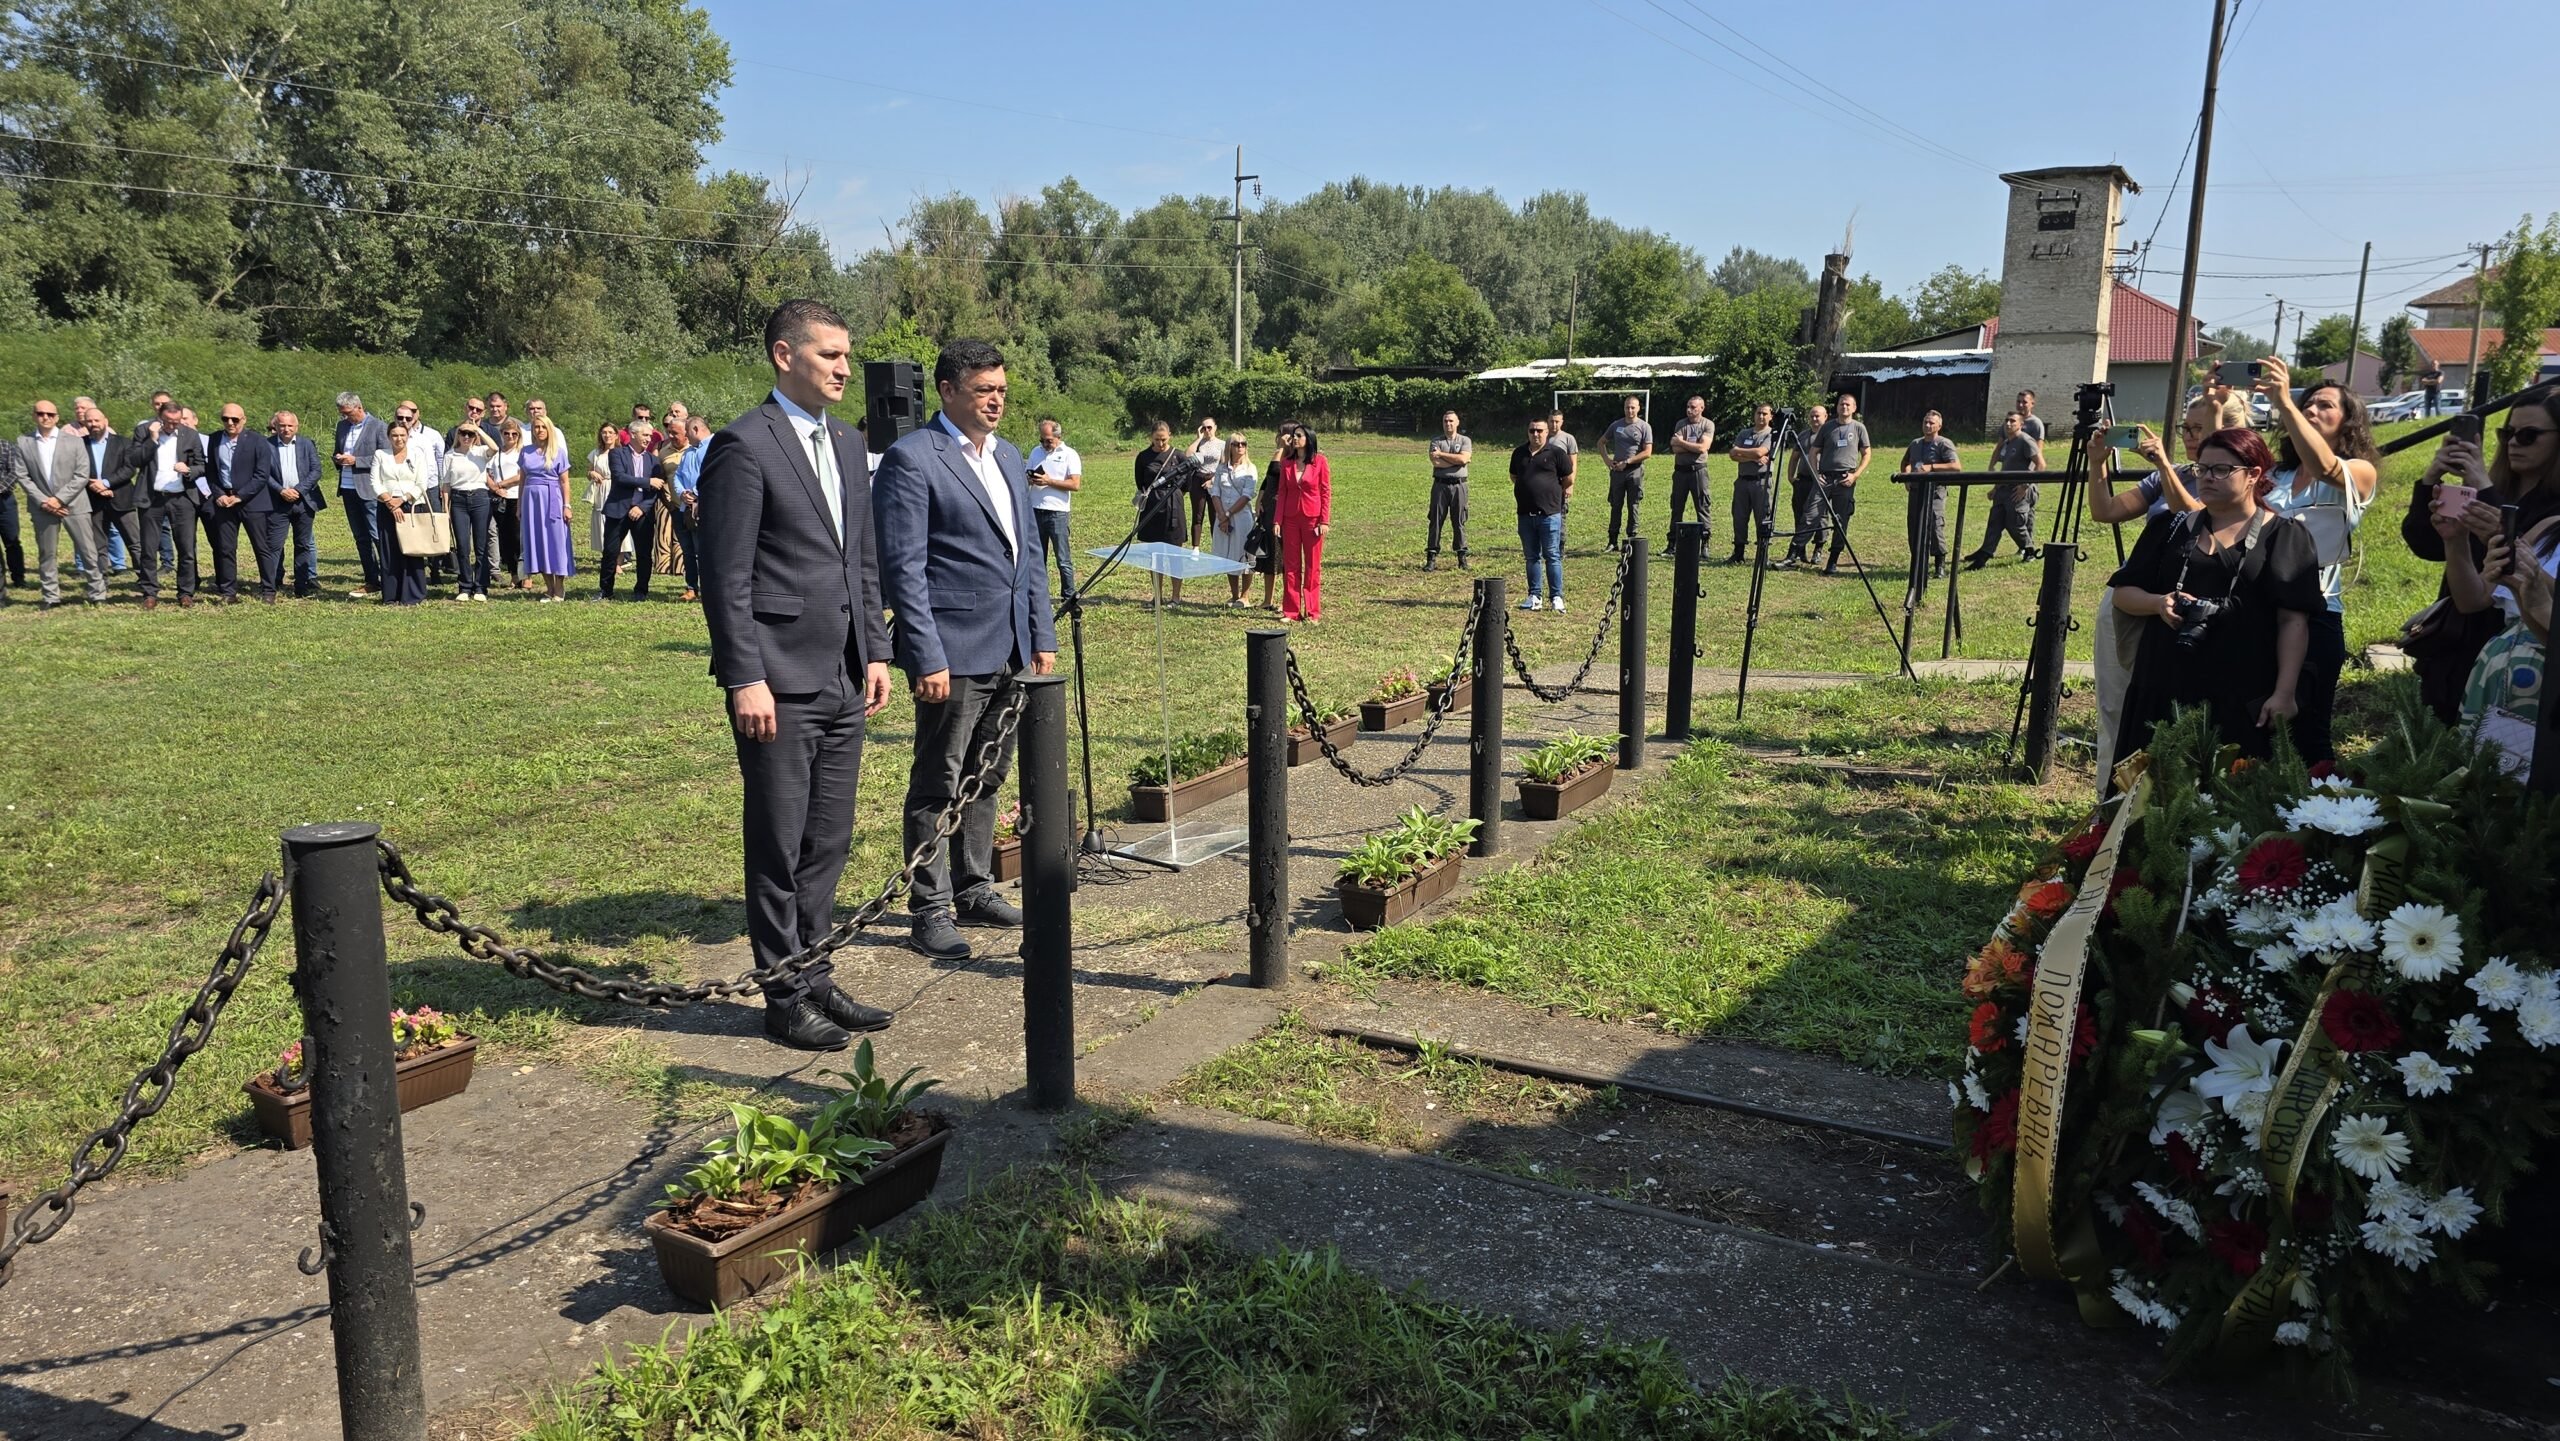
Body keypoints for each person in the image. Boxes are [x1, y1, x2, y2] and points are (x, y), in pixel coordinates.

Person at [699, 298, 898, 1050]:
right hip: (777, 680)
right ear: (785, 356)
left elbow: (861, 559)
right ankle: (782, 994)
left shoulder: (846, 443)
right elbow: (726, 578)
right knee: (779, 843)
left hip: (844, 674)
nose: (846, 368)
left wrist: (875, 649)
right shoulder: (743, 445)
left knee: (828, 840)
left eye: (847, 354)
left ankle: (816, 973)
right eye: (830, 355)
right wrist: (743, 676)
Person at [875, 338, 1057, 966]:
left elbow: (1028, 556)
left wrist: (1041, 636)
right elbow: (904, 569)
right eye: (984, 391)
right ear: (948, 390)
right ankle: (929, 906)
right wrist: (925, 655)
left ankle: (974, 884)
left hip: (1010, 647)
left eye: (1001, 390)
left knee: (989, 773)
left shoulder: (1008, 456)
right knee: (940, 778)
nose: (996, 401)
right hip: (951, 652)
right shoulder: (912, 459)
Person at [2109, 427, 2320, 766]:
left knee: (2234, 785)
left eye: (2221, 469)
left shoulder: (2285, 536)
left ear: (2253, 475)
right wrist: (2157, 603)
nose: (2207, 477)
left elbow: (2293, 621)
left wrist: (2284, 693)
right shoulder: (2169, 528)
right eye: (2202, 468)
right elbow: (2123, 594)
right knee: (2152, 786)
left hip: (2242, 688)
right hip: (2163, 685)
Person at [2401, 392, 2560, 723]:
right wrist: (2431, 479)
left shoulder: (2549, 511)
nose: (2513, 443)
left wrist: (2483, 486)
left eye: (2528, 435)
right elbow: (2426, 544)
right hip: (2460, 644)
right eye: (2507, 433)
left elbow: (2514, 553)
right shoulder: (2493, 488)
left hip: (2514, 651)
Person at [2254, 359, 2379, 766]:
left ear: (2348, 423)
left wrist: (2285, 404)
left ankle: (2321, 804)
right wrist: (2217, 407)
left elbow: (2326, 466)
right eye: (2307, 403)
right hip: (2261, 608)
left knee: (2310, 735)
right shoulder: (2278, 475)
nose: (2311, 409)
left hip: (2318, 613)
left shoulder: (2359, 472)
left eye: (2325, 405)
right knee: (2255, 730)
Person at [2087, 410, 2208, 786]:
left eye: (2199, 427)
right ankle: (2109, 801)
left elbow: (2198, 520)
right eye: (2185, 428)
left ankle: (2161, 801)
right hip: (2133, 596)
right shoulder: (2174, 474)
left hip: (2183, 608)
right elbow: (2104, 511)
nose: (2189, 436)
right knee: (2114, 704)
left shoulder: (2241, 481)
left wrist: (2163, 465)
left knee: (2169, 713)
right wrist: (2097, 464)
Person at [17, 399, 97, 609]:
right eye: (41, 413)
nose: (45, 417)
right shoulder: (24, 442)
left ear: (57, 417)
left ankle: (97, 592)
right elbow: (23, 476)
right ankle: (51, 596)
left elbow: (82, 474)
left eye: (50, 414)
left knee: (88, 550)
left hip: (75, 504)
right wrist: (45, 501)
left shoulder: (74, 441)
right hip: (43, 507)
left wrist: (59, 499)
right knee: (47, 553)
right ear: (34, 416)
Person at [201, 403, 276, 604]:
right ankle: (228, 592)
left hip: (252, 502)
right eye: (225, 418)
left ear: (243, 419)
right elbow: (211, 472)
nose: (230, 422)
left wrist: (240, 496)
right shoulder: (214, 439)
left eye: (234, 419)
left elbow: (262, 475)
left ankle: (268, 590)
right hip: (224, 502)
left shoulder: (258, 441)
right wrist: (218, 494)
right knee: (225, 548)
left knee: (261, 547)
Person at [135, 399, 207, 608]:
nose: (173, 425)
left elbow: (201, 465)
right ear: (160, 417)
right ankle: (150, 592)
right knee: (149, 548)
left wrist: (189, 470)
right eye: (168, 421)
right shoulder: (143, 431)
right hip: (152, 497)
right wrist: (152, 439)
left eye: (177, 421)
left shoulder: (189, 435)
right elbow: (134, 459)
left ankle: (185, 592)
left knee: (186, 548)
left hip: (181, 498)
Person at [1963, 410, 2045, 569]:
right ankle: (1984, 555)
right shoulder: (2007, 443)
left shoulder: (2025, 440)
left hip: (2018, 491)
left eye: (2012, 421)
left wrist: (2025, 486)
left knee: (2014, 523)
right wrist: (1995, 488)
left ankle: (2029, 550)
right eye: (2006, 420)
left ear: (2021, 424)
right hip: (2003, 489)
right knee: (1995, 521)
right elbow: (2006, 468)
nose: (2008, 424)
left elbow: (2041, 465)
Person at [1511, 416, 1573, 612]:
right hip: (1525, 514)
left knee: (1552, 556)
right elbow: (1514, 476)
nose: (1535, 434)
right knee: (1531, 557)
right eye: (1532, 431)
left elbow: (1568, 479)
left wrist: (1549, 492)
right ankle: (1534, 596)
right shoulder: (1519, 453)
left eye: (1539, 430)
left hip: (1550, 514)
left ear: (1547, 432)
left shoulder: (1556, 453)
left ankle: (1556, 597)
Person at [1272, 421, 1331, 623]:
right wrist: (1277, 520)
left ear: (1309, 439)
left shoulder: (1320, 461)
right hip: (1290, 519)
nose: (1295, 439)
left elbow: (1325, 492)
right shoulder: (1287, 463)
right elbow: (1282, 492)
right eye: (1294, 436)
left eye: (1299, 436)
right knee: (1291, 565)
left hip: (1312, 519)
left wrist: (1324, 520)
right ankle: (1291, 611)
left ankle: (1312, 612)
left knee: (1313, 566)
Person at [79, 406, 140, 601]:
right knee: (98, 546)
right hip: (93, 500)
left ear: (105, 421)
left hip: (121, 498)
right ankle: (100, 584)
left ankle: (145, 581)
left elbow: (129, 469)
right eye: (89, 421)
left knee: (135, 543)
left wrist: (106, 483)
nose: (93, 424)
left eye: (96, 420)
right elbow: (75, 470)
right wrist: (94, 486)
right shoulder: (80, 444)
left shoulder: (123, 442)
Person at [370, 419, 432, 607]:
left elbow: (422, 483)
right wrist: (390, 503)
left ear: (408, 436)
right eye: (395, 435)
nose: (399, 439)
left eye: (402, 435)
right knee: (389, 550)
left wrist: (403, 499)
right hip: (387, 506)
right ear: (389, 437)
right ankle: (391, 594)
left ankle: (413, 594)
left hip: (410, 506)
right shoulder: (381, 455)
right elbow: (375, 482)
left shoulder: (417, 455)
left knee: (412, 549)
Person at [331, 392, 387, 598]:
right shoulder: (342, 426)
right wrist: (337, 459)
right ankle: (372, 580)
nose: (345, 417)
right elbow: (338, 450)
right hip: (348, 488)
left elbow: (385, 457)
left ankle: (388, 577)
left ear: (359, 407)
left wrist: (357, 461)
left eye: (348, 413)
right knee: (360, 537)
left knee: (376, 534)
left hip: (369, 489)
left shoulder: (378, 427)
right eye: (342, 413)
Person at [1899, 410, 1962, 582]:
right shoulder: (1915, 444)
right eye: (1925, 422)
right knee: (1914, 527)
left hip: (1935, 492)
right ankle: (1919, 564)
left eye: (1931, 423)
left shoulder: (1944, 444)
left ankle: (1940, 564)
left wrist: (1932, 467)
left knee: (1934, 525)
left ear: (1939, 426)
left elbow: (1956, 466)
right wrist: (1906, 478)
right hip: (1916, 492)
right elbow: (1905, 462)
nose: (1927, 425)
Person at [1812, 394, 1872, 576]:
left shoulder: (1859, 428)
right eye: (1841, 404)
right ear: (1837, 407)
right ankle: (1795, 553)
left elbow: (1867, 454)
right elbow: (1813, 452)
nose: (1844, 407)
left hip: (1845, 480)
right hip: (1825, 478)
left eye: (1847, 405)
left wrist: (1855, 475)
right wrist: (1816, 474)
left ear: (1854, 408)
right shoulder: (1827, 427)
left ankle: (1833, 559)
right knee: (1811, 514)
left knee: (1840, 519)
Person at [599, 422, 660, 601]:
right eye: (645, 435)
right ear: (633, 434)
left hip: (642, 513)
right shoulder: (617, 453)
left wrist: (642, 507)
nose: (648, 439)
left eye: (650, 436)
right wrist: (647, 481)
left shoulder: (653, 460)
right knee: (610, 551)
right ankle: (606, 590)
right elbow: (620, 477)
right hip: (618, 509)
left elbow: (656, 489)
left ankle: (641, 591)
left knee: (643, 553)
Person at [517, 418, 575, 602]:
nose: (540, 430)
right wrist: (519, 506)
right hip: (531, 501)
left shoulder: (558, 452)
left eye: (543, 427)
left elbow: (564, 482)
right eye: (536, 427)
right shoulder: (526, 451)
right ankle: (549, 587)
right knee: (538, 541)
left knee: (556, 541)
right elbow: (522, 480)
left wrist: (566, 506)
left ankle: (559, 587)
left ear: (549, 429)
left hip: (552, 499)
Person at [1024, 416, 1082, 595]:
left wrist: (1049, 481)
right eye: (1041, 440)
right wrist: (1030, 478)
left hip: (1057, 513)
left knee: (1063, 559)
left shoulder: (1070, 454)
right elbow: (1026, 475)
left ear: (1058, 437)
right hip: (1035, 510)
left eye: (1048, 440)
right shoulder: (1036, 452)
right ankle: (1038, 595)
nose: (1044, 444)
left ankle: (1068, 596)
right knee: (1036, 558)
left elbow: (1075, 484)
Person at [441, 422, 497, 601]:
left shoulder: (480, 452)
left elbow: (495, 448)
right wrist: (446, 509)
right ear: (458, 435)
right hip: (459, 500)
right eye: (463, 433)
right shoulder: (450, 455)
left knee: (481, 545)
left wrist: (477, 429)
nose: (466, 437)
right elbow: (446, 485)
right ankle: (465, 586)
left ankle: (480, 587)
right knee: (463, 546)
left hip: (480, 497)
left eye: (470, 434)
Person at [1134, 421, 1187, 602]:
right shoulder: (1143, 457)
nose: (1161, 443)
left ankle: (1176, 597)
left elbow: (1186, 483)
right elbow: (1140, 482)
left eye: (1164, 439)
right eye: (1157, 439)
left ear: (1170, 436)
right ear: (1151, 437)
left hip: (1174, 507)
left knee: (1175, 555)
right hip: (1152, 507)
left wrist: (1173, 494)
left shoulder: (1179, 456)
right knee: (1154, 555)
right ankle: (1158, 596)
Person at [1662, 395, 1715, 558]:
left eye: (1693, 407)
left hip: (1698, 471)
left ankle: (1704, 543)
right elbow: (1674, 447)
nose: (1689, 410)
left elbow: (1702, 448)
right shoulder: (1681, 424)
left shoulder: (1707, 425)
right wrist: (1692, 446)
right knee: (1676, 507)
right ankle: (1672, 544)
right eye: (1688, 407)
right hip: (1680, 472)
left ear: (1701, 408)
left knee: (1702, 506)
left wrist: (1683, 443)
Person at [1779, 403, 1830, 569]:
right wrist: (1791, 476)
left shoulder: (1829, 434)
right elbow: (1794, 457)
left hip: (1820, 481)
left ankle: (1818, 548)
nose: (1814, 419)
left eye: (1817, 416)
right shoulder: (1802, 435)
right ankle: (1800, 549)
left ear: (1825, 417)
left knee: (1820, 517)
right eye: (1812, 416)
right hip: (1803, 480)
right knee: (1800, 514)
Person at [1209, 435, 1258, 603]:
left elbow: (1247, 495)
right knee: (1228, 554)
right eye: (1236, 444)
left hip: (1241, 517)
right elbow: (1215, 492)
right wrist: (1221, 516)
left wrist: (1228, 514)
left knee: (1245, 555)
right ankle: (1234, 594)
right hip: (1222, 516)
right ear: (1229, 447)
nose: (1240, 447)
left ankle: (1245, 596)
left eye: (1243, 444)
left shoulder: (1250, 468)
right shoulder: (1221, 468)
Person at [1601, 395, 1653, 551]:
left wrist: (1628, 462)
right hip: (1617, 472)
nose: (1629, 410)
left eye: (1632, 407)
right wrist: (1607, 460)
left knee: (1633, 505)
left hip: (1634, 471)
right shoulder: (1616, 425)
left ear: (1638, 408)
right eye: (1627, 407)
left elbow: (1647, 452)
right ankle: (1612, 541)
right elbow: (1601, 442)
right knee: (1616, 505)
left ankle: (1631, 539)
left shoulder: (1644, 427)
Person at [1726, 403, 1777, 564]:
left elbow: (1760, 451)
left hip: (1761, 482)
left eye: (1764, 413)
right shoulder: (1744, 433)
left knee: (1762, 517)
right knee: (1739, 517)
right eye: (1758, 413)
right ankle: (1738, 552)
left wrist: (1742, 452)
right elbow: (1732, 454)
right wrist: (1753, 458)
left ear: (1771, 416)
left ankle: (1762, 554)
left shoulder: (1772, 434)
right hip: (1742, 481)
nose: (1761, 416)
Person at [485, 392, 525, 585]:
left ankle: (524, 574)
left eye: (514, 434)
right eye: (506, 433)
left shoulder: (522, 453)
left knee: (518, 537)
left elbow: (522, 475)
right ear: (501, 434)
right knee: (505, 538)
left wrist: (501, 484)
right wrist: (494, 487)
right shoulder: (496, 453)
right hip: (500, 499)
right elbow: (486, 472)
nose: (510, 437)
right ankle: (514, 574)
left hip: (517, 497)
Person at [1424, 409, 1472, 572]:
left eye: (1451, 421)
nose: (1448, 424)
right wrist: (1457, 461)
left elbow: (1463, 458)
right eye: (1445, 421)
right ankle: (1431, 557)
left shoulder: (1465, 440)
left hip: (1459, 486)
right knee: (1435, 520)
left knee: (1459, 521)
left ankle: (1462, 557)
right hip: (1440, 485)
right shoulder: (1436, 441)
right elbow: (1436, 462)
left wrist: (1443, 455)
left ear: (1457, 422)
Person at [667, 415, 708, 602]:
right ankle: (692, 587)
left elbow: (714, 474)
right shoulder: (689, 452)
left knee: (705, 551)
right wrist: (682, 492)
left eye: (687, 433)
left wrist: (696, 494)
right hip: (685, 509)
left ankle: (709, 590)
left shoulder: (715, 447)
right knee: (688, 551)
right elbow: (678, 475)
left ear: (695, 430)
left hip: (705, 508)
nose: (686, 438)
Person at [1187, 416, 1222, 547]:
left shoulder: (1222, 444)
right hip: (1198, 479)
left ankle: (1216, 547)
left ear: (1215, 428)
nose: (1207, 430)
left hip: (1214, 479)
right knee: (1197, 515)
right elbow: (1187, 455)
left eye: (1209, 427)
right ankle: (1195, 548)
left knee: (1215, 515)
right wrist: (1198, 438)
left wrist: (1213, 480)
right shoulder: (1199, 443)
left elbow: (1223, 465)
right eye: (1204, 428)